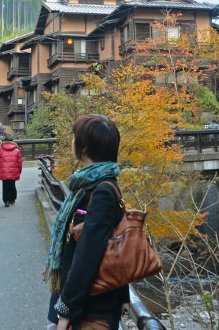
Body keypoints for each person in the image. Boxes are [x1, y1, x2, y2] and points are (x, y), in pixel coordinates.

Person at [45, 114, 127, 330]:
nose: (72, 142)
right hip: (83, 301)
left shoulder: (102, 192)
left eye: (75, 137)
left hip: (91, 307)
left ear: (85, 147)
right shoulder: (87, 184)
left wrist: (65, 313)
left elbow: (87, 255)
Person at [0, 133, 23, 207]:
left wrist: (0, 168)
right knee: (12, 184)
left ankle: (6, 201)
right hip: (14, 171)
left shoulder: (1, 150)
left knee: (5, 185)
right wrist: (19, 171)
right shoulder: (16, 151)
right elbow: (19, 162)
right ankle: (12, 198)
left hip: (4, 171)